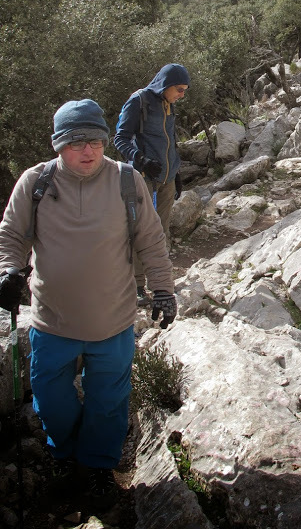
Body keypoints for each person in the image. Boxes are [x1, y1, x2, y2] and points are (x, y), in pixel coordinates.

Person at [0, 99, 176, 507]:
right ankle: (66, 456)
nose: (89, 151)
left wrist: (164, 289)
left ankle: (97, 469)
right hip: (51, 320)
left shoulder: (127, 181)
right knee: (51, 400)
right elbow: (12, 235)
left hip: (112, 320)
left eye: (96, 141)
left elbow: (151, 241)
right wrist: (8, 271)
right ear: (58, 145)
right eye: (77, 142)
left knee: (108, 403)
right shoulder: (36, 182)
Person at [114, 63, 190, 304]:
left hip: (166, 178)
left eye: (185, 90)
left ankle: (159, 282)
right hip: (143, 178)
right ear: (166, 85)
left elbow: (170, 140)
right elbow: (120, 138)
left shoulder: (168, 103)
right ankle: (136, 284)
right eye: (179, 89)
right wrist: (141, 160)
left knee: (161, 231)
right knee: (139, 231)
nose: (182, 95)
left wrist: (176, 172)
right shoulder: (139, 101)